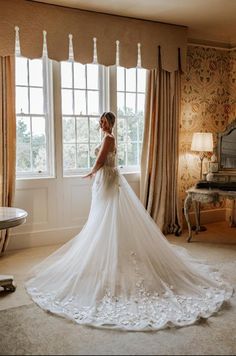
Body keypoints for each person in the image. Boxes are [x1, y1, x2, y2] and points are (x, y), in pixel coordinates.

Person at [25, 112, 233, 331]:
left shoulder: (109, 138)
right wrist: (94, 175)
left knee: (108, 217)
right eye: (101, 121)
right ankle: (104, 255)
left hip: (107, 180)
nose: (101, 123)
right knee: (101, 219)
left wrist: (90, 173)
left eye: (104, 121)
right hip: (105, 180)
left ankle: (113, 257)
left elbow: (100, 160)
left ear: (111, 123)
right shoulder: (106, 137)